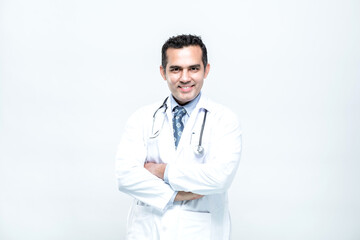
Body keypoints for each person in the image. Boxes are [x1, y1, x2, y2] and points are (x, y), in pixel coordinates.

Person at [115, 34, 242, 240]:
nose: (185, 78)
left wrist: (161, 171)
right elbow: (125, 176)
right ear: (163, 72)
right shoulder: (142, 118)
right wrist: (176, 195)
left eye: (193, 68)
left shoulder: (224, 120)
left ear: (206, 70)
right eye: (176, 69)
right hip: (148, 230)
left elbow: (219, 178)